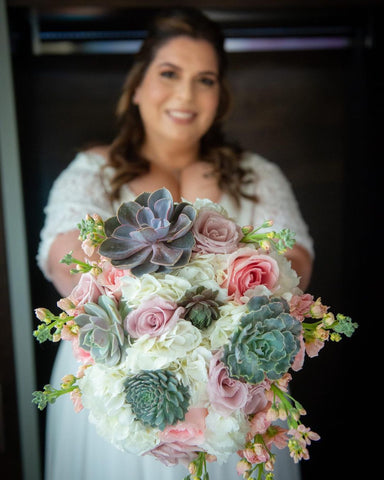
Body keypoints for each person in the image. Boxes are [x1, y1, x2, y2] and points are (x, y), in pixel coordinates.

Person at [37, 7, 314, 480]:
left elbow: (295, 266)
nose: (186, 94)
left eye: (205, 79)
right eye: (170, 73)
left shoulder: (257, 176)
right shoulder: (92, 173)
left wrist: (224, 328)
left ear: (219, 96)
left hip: (234, 390)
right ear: (138, 85)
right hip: (117, 387)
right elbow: (70, 265)